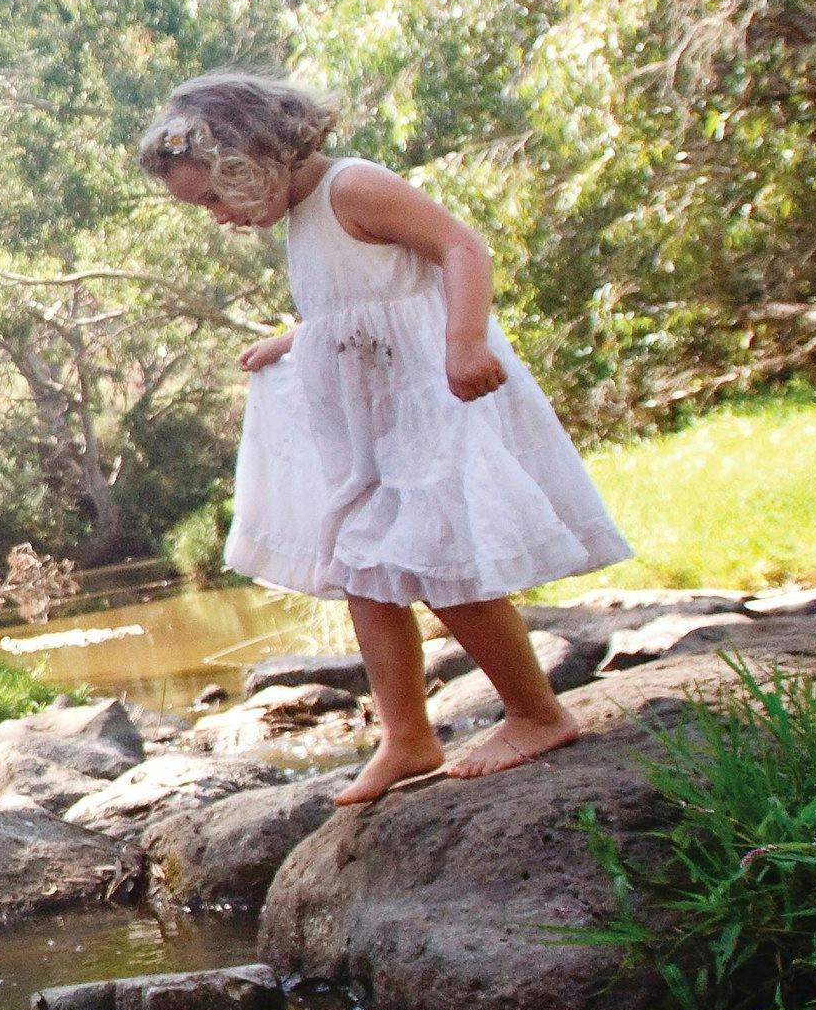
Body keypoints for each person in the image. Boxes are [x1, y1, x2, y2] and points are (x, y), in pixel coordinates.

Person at [137, 71, 631, 804]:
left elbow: (460, 248)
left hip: (432, 399)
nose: (214, 215)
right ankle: (408, 735)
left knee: (438, 561)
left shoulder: (352, 187)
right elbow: (361, 306)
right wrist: (295, 341)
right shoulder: (304, 219)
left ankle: (537, 711)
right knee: (363, 565)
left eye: (212, 195)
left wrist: (465, 341)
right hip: (378, 421)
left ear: (249, 155)